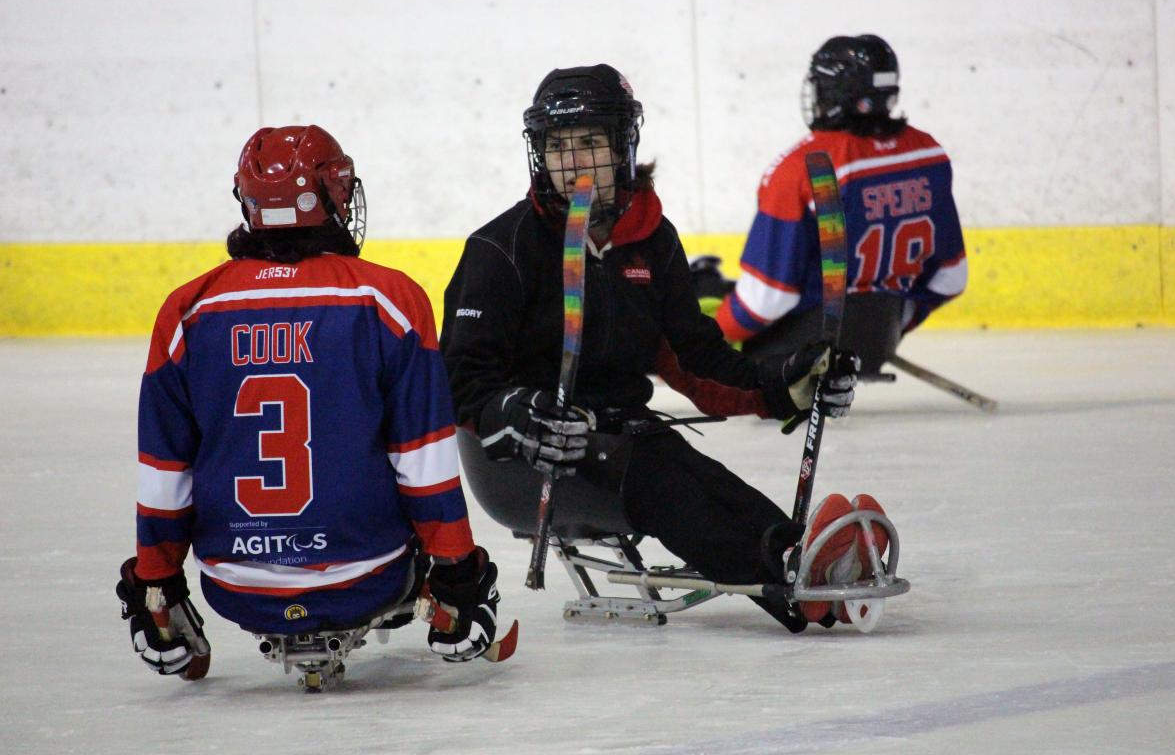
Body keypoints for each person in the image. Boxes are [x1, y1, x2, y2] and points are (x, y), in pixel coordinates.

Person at [440, 64, 886, 633]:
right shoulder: (500, 250)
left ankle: (804, 560)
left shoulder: (651, 239)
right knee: (659, 477)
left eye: (591, 143)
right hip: (523, 463)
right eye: (558, 147)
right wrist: (508, 411)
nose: (573, 162)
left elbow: (695, 358)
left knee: (693, 471)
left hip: (624, 439)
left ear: (624, 146)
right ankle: (791, 572)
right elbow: (457, 379)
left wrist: (784, 383)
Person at [116, 125, 502, 681]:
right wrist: (459, 574)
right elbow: (423, 460)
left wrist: (155, 580)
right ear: (331, 196)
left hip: (234, 587)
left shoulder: (187, 311)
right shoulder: (388, 300)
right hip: (367, 576)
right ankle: (441, 608)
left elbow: (164, 466)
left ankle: (166, 617)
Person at [708, 34, 967, 375]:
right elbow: (951, 277)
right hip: (879, 342)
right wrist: (889, 325)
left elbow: (768, 298)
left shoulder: (803, 168)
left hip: (802, 356)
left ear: (834, 94)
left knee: (712, 296)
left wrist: (705, 340)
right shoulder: (927, 153)